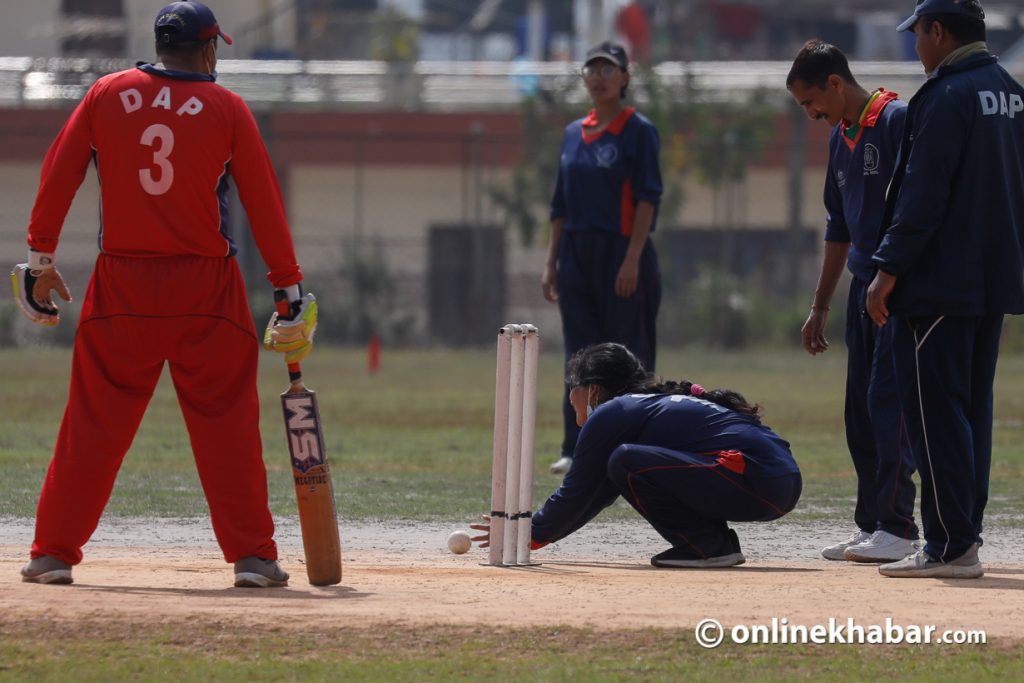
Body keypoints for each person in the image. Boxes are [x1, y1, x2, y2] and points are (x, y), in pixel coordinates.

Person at [9, 1, 317, 588]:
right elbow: (262, 200)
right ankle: (252, 557)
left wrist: (39, 259)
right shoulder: (227, 107)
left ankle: (52, 553)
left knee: (92, 424)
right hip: (206, 287)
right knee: (226, 424)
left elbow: (60, 173)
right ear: (207, 50)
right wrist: (289, 286)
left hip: (122, 282)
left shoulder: (105, 93)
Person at [866, 0, 1024, 579]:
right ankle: (964, 536)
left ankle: (949, 544)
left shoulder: (943, 95)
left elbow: (921, 195)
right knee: (969, 412)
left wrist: (887, 269)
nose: (916, 45)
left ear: (938, 31)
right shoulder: (1011, 90)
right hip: (993, 282)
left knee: (934, 414)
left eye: (918, 34)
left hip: (937, 284)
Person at [472, 343, 802, 568]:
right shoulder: (642, 407)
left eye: (572, 388)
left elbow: (578, 491)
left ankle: (705, 546)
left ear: (594, 389)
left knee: (625, 459)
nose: (569, 397)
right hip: (778, 482)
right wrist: (536, 535)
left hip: (756, 480)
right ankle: (717, 544)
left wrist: (527, 532)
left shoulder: (613, 412)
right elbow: (597, 491)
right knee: (624, 462)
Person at [786, 40, 920, 563]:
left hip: (896, 289)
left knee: (891, 406)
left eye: (810, 103)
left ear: (835, 84)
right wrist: (820, 304)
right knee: (860, 412)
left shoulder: (895, 119)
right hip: (859, 290)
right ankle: (872, 526)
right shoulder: (840, 138)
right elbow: (837, 228)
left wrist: (891, 273)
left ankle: (899, 526)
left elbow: (921, 204)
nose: (811, 114)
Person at [542, 41, 663, 476]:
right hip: (577, 252)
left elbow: (649, 198)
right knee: (580, 354)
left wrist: (632, 259)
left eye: (608, 69)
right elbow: (560, 206)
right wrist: (551, 261)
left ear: (625, 78)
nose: (598, 76)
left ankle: (635, 442)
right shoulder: (573, 133)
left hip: (622, 251)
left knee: (629, 354)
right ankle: (577, 447)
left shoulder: (638, 130)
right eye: (591, 69)